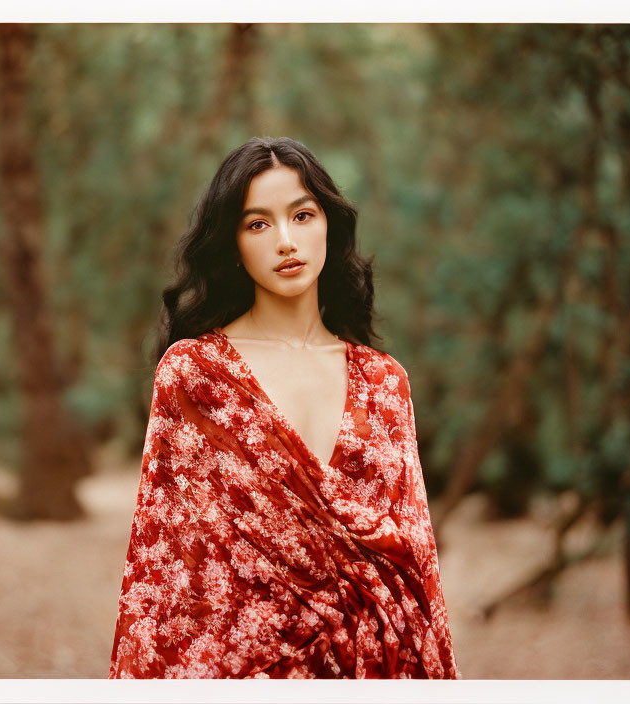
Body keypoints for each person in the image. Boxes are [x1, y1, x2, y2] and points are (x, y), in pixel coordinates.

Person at [107, 137, 459, 679]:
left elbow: (419, 566)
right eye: (258, 224)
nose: (287, 240)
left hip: (378, 668)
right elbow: (166, 577)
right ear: (233, 243)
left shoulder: (385, 382)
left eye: (302, 214)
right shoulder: (196, 377)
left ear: (329, 224)